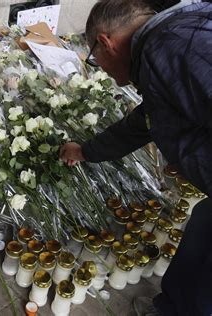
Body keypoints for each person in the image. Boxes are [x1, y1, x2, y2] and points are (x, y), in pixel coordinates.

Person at [59, 0, 212, 315]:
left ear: (105, 42)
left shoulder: (173, 49)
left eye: (94, 58)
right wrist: (85, 151)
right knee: (203, 230)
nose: (99, 67)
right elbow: (146, 121)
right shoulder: (171, 39)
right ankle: (173, 307)